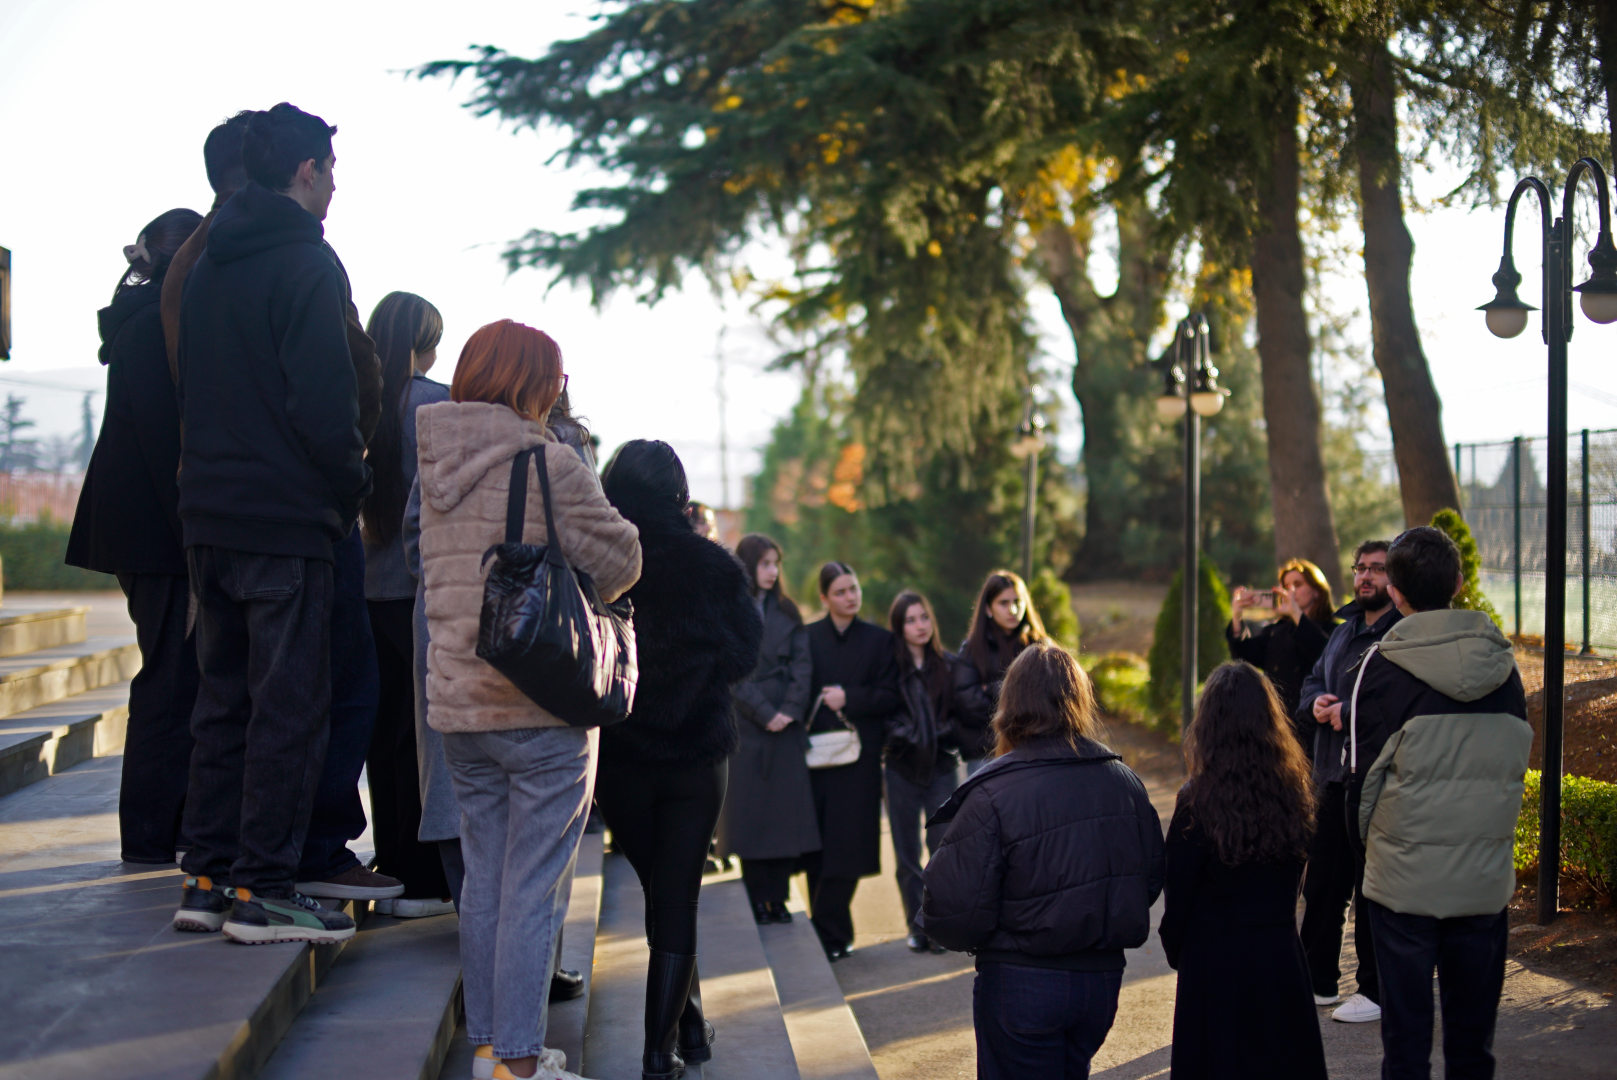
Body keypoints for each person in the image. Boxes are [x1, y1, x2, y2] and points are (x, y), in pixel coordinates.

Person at [417, 319, 641, 1080]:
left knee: (485, 882)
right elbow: (621, 559)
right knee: (534, 892)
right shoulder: (550, 462)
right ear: (533, 382)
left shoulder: (432, 460)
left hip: (458, 703)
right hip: (540, 704)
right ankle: (515, 1059)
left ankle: (490, 1046)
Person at [172, 103, 371, 944]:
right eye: (330, 168)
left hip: (208, 516)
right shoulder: (308, 263)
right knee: (289, 707)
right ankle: (264, 892)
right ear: (303, 174)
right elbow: (325, 407)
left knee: (222, 703)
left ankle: (209, 877)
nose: (336, 184)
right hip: (285, 522)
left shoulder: (210, 261)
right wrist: (352, 485)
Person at [595, 440, 763, 1080]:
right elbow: (745, 655)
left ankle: (688, 1028)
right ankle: (659, 1054)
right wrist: (695, 675)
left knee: (661, 891)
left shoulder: (600, 561)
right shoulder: (712, 566)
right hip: (697, 754)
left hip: (622, 757)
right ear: (678, 492)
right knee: (677, 899)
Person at [920, 644, 1164, 1080]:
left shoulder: (994, 790)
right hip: (1100, 983)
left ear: (1012, 701)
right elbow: (1147, 878)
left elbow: (952, 904)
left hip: (1021, 982)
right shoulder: (1125, 782)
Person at [1347, 526, 1530, 1080]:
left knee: (1404, 1049)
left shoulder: (1380, 668)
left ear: (1395, 592)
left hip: (1402, 885)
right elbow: (1513, 767)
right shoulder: (1505, 670)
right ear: (1458, 582)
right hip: (1482, 881)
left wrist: (1370, 855)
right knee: (1473, 1049)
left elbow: (1360, 787)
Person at [67, 207, 203, 865]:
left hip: (149, 530)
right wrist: (193, 538)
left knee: (175, 678)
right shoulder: (153, 327)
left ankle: (163, 828)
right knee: (169, 681)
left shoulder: (145, 319)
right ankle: (152, 834)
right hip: (157, 534)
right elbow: (160, 443)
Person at [1159, 661, 1328, 1080]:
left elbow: (1176, 889)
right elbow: (1299, 876)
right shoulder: (1296, 794)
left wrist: (1177, 948)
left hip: (1212, 965)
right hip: (1279, 959)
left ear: (1208, 724)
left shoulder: (1196, 801)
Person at [359, 291, 452, 917]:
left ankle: (388, 861)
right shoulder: (439, 404)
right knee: (422, 736)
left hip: (364, 588)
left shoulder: (357, 400)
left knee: (381, 729)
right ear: (426, 344)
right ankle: (421, 876)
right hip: (418, 593)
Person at [1295, 539, 1400, 1022]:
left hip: (1376, 783)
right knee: (1321, 888)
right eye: (1360, 568)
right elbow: (1314, 679)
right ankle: (1316, 982)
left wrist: (1349, 711)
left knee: (1369, 889)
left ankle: (1374, 990)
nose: (1365, 578)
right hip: (1331, 778)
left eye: (1376, 570)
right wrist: (1317, 701)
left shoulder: (1403, 635)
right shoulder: (1344, 630)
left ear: (1395, 579)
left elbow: (1400, 704)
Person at [720, 534, 819, 926]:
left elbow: (802, 667)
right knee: (750, 818)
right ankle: (756, 899)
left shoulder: (788, 612)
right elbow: (732, 673)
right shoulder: (732, 612)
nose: (773, 571)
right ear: (748, 565)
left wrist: (789, 711)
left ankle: (777, 898)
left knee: (783, 819)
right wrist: (765, 713)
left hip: (785, 727)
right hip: (748, 726)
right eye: (765, 563)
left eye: (776, 563)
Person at [803, 562, 899, 961]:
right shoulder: (807, 638)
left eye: (854, 589)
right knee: (818, 848)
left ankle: (827, 928)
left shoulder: (880, 640)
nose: (850, 597)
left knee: (851, 845)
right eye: (840, 591)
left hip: (860, 757)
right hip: (815, 756)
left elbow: (892, 694)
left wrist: (851, 699)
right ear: (824, 598)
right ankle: (831, 933)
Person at [884, 590, 974, 955]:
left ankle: (939, 927)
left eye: (924, 617)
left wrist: (937, 735)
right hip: (901, 769)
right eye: (910, 620)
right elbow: (883, 716)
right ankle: (916, 926)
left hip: (941, 767)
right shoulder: (890, 669)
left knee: (941, 850)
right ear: (899, 627)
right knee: (906, 856)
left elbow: (962, 717)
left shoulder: (950, 666)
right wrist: (907, 736)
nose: (919, 626)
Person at [1227, 558, 1339, 740]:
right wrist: (1237, 617)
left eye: (1298, 584)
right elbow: (1245, 657)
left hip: (1315, 725)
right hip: (1279, 725)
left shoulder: (1335, 630)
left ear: (1317, 591)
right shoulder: (1276, 630)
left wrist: (1296, 613)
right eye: (1286, 585)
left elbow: (1324, 655)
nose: (1291, 591)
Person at [958, 570, 1048, 774]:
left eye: (1018, 601)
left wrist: (990, 689)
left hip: (1034, 751)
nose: (1013, 609)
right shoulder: (972, 649)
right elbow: (967, 704)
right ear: (988, 608)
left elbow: (1048, 697)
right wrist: (1019, 694)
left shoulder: (1041, 647)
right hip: (986, 753)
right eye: (1003, 603)